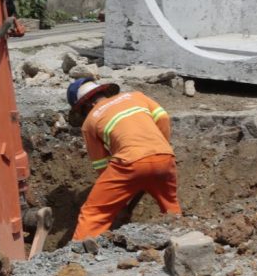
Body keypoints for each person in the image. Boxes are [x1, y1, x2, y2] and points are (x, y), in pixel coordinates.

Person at [66, 78, 182, 244]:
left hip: (129, 162)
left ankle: (76, 255)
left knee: (94, 212)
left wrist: (119, 193)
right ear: (102, 92)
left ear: (86, 106)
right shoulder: (136, 96)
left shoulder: (90, 121)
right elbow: (163, 117)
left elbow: (102, 166)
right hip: (164, 156)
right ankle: (182, 241)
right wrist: (160, 146)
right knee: (170, 205)